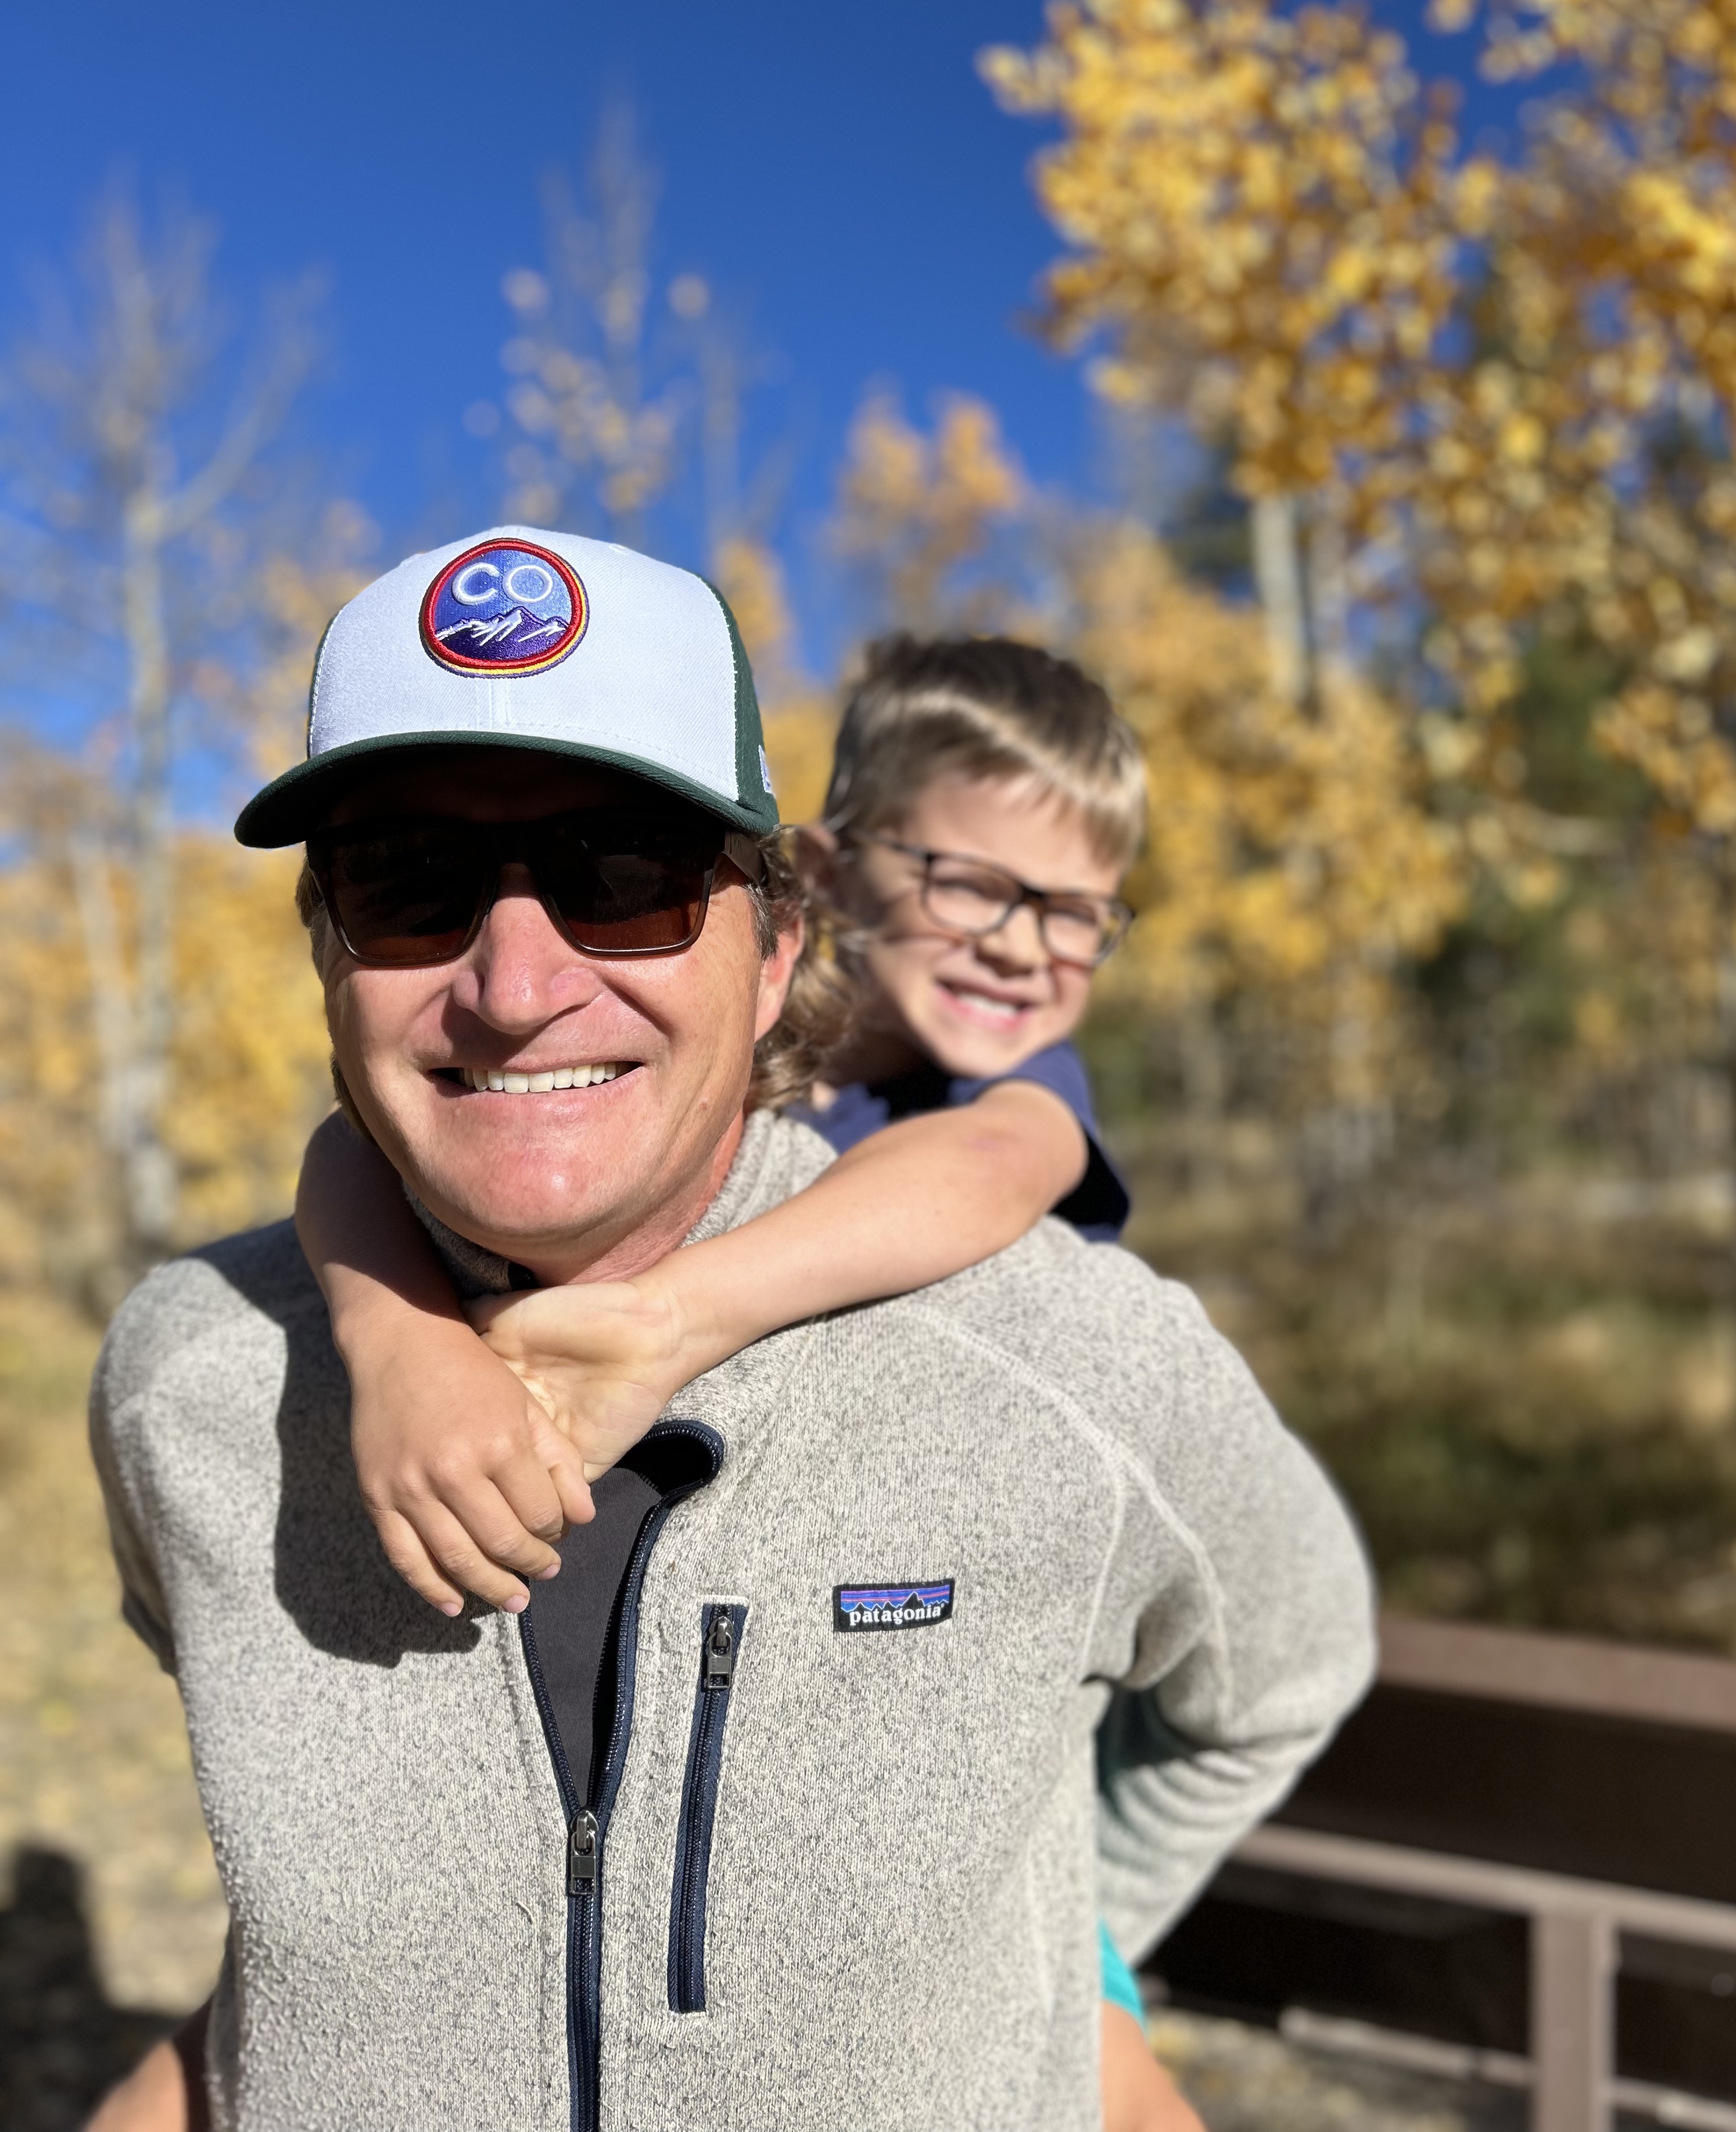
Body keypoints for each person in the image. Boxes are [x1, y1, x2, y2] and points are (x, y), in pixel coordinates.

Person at [87, 526, 1375, 2131]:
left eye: (625, 875)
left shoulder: (1062, 1346)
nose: (514, 983)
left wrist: (1048, 1968)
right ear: (326, 953)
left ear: (778, 947)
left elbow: (1291, 1660)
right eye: (404, 880)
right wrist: (388, 1331)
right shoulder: (190, 1379)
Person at [290, 630, 1193, 2127]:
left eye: (1080, 912)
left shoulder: (1012, 1098)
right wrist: (398, 1343)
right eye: (971, 884)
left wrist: (669, 1320)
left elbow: (984, 1173)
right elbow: (345, 1144)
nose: (1022, 946)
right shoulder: (718, 1041)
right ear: (824, 877)